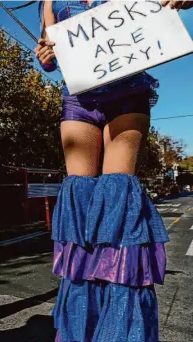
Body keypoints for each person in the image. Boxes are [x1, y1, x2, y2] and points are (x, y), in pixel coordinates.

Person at [34, 1, 191, 341]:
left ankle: (119, 331)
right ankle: (81, 329)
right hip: (78, 99)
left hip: (129, 93)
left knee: (117, 193)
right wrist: (45, 56)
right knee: (79, 198)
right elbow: (48, 51)